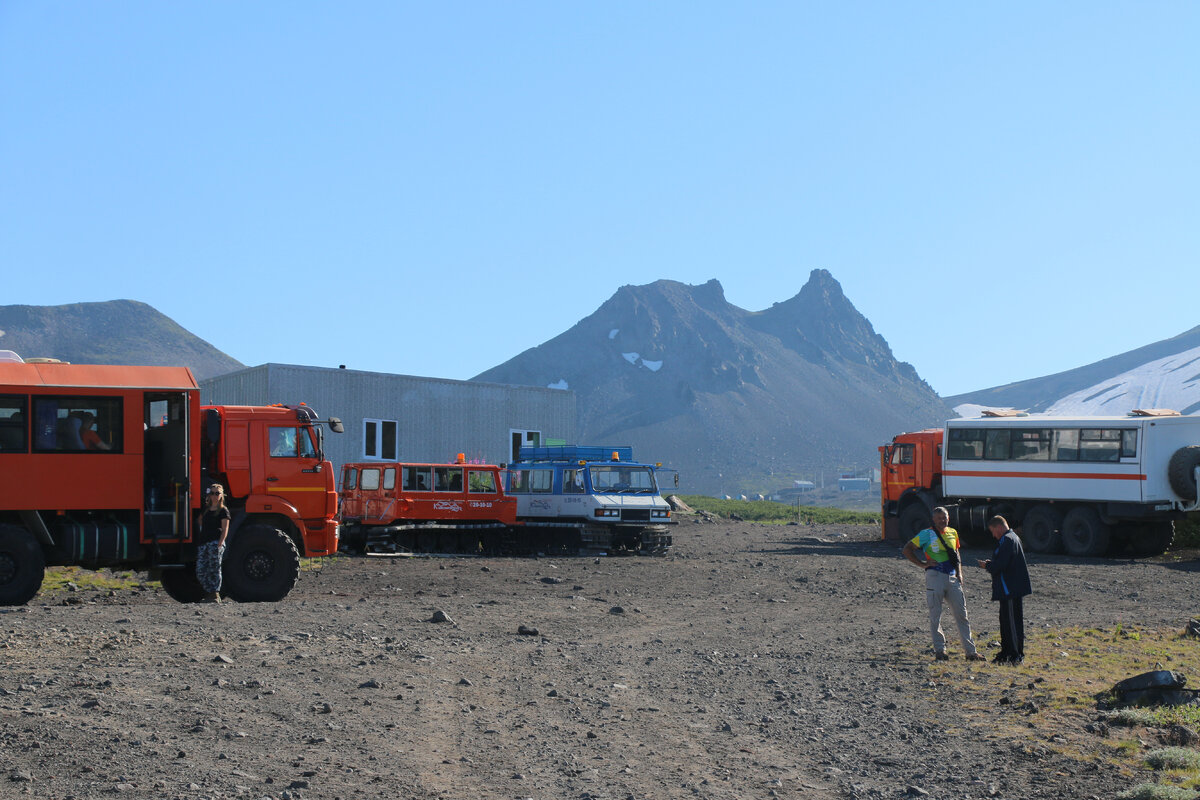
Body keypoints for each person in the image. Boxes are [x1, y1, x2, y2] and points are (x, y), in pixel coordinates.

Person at [902, 506, 986, 662]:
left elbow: (956, 553)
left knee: (962, 615)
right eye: (939, 518)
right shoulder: (926, 534)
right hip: (935, 576)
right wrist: (922, 564)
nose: (942, 520)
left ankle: (970, 652)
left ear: (948, 518)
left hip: (953, 577)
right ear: (933, 519)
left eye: (945, 517)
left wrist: (960, 572)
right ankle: (940, 651)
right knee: (936, 615)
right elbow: (907, 549)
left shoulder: (953, 532)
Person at [977, 515, 1031, 665]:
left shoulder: (1008, 540)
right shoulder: (1011, 538)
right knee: (1006, 621)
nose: (993, 535)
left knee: (1012, 623)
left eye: (993, 531)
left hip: (1010, 589)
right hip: (1008, 589)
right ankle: (1006, 652)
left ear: (999, 527)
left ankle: (1016, 655)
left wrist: (987, 565)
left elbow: (1001, 565)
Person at [196, 484, 231, 603]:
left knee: (214, 569)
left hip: (215, 543)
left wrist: (220, 543)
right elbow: (199, 520)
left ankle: (215, 594)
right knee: (201, 569)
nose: (214, 495)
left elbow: (225, 528)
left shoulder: (223, 511)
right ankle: (208, 591)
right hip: (204, 543)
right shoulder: (205, 510)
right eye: (212, 493)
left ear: (221, 495)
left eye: (217, 493)